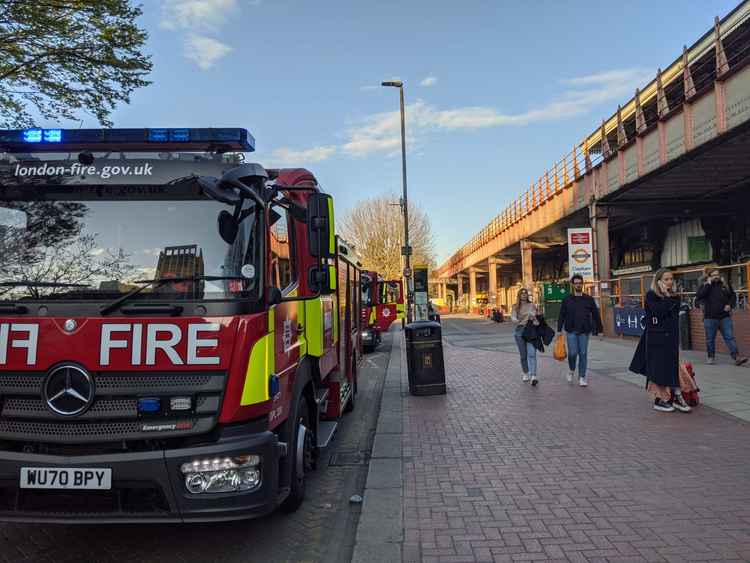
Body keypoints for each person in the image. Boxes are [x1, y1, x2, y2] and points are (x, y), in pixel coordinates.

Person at [629, 268, 691, 413]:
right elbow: (660, 312)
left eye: (671, 279)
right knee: (659, 369)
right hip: (656, 338)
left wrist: (669, 296)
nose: (669, 282)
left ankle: (675, 395)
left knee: (672, 366)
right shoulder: (651, 295)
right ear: (658, 281)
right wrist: (665, 296)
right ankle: (660, 399)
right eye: (666, 279)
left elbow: (674, 314)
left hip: (672, 338)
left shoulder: (674, 296)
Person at [557, 274, 604, 387]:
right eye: (576, 283)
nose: (578, 285)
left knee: (583, 353)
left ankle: (582, 377)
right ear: (572, 285)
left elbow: (596, 314)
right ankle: (571, 369)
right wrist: (559, 330)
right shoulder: (567, 299)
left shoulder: (589, 299)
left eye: (580, 283)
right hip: (571, 330)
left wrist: (600, 329)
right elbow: (561, 315)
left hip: (584, 331)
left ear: (582, 284)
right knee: (573, 353)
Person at [695, 267, 748, 366]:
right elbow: (699, 296)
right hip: (710, 318)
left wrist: (730, 305)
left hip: (724, 317)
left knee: (730, 337)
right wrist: (708, 284)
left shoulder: (725, 285)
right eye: (713, 275)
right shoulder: (705, 285)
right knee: (710, 339)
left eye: (717, 275)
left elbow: (732, 296)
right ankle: (710, 357)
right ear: (709, 276)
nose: (716, 277)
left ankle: (737, 357)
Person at [511, 287, 539, 386]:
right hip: (519, 332)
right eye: (522, 293)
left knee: (532, 353)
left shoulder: (532, 305)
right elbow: (513, 316)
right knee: (523, 355)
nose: (524, 295)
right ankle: (525, 372)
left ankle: (533, 376)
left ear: (527, 295)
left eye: (525, 293)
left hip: (531, 331)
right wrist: (514, 319)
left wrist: (534, 317)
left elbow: (536, 316)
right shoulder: (515, 306)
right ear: (519, 295)